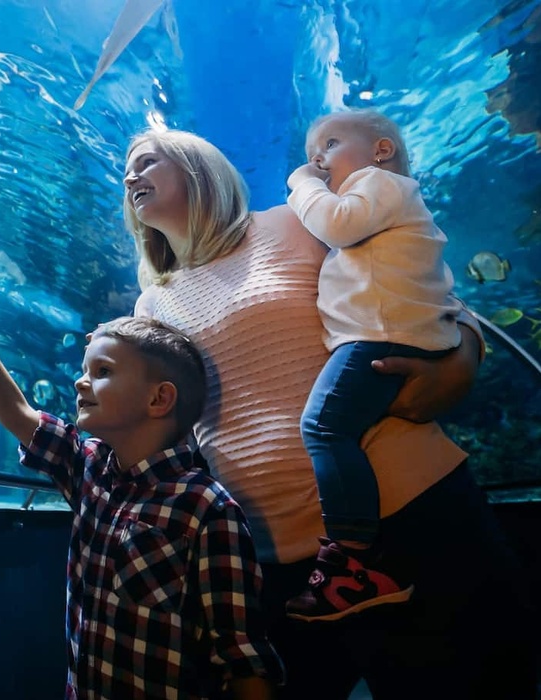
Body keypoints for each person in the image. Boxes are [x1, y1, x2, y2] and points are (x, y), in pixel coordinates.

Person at [122, 127, 534, 699]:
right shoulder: (150, 304)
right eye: (127, 169)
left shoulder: (294, 222)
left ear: (197, 165)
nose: (129, 176)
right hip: (276, 560)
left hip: (409, 516)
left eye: (145, 160)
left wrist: (463, 357)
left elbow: (422, 287)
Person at [0, 252, 284, 700]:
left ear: (160, 399)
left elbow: (242, 658)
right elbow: (17, 413)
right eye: (84, 370)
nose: (81, 383)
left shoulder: (206, 509)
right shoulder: (88, 469)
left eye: (102, 372)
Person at [282, 110, 462, 622]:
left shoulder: (380, 183)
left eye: (331, 144)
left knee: (323, 426)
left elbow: (337, 224)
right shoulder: (385, 202)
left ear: (380, 151)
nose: (317, 159)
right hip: (389, 330)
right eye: (312, 152)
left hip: (380, 333)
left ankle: (355, 561)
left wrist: (300, 183)